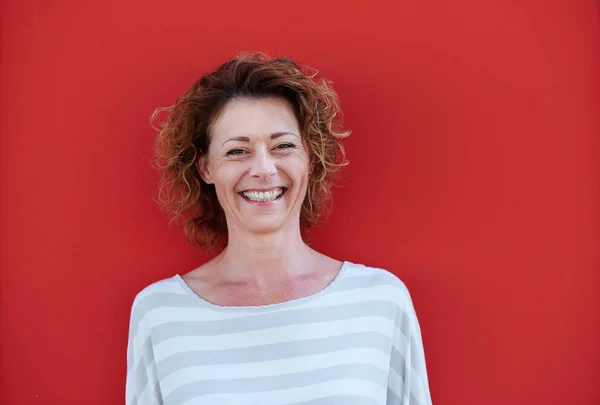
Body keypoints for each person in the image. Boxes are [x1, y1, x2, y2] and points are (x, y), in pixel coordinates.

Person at [126, 52, 433, 405]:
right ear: (205, 168)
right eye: (238, 151)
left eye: (283, 146)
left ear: (309, 157)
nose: (264, 168)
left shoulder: (381, 301)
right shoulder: (160, 313)